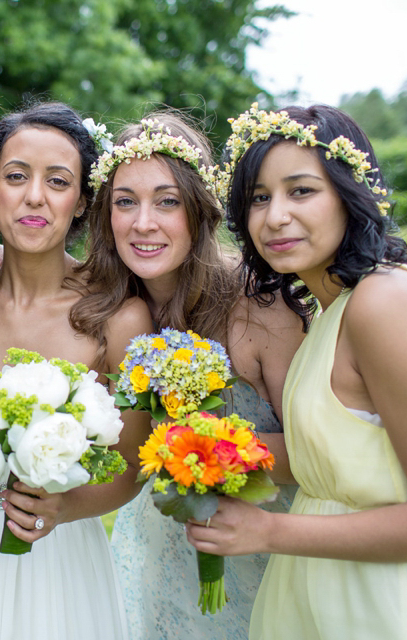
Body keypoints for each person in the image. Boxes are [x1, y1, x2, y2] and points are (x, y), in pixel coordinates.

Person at [186, 103, 407, 639]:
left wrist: (270, 530)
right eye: (259, 197)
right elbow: (336, 456)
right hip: (324, 602)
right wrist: (206, 448)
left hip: (389, 610)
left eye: (301, 190)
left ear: (350, 194)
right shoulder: (333, 310)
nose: (275, 215)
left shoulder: (386, 304)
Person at [0, 102, 154, 640]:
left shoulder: (118, 317)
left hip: (56, 554)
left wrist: (60, 509)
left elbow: (131, 469)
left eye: (57, 181)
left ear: (83, 200)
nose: (34, 196)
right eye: (16, 176)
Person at [76, 112, 305, 640]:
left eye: (167, 201)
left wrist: (201, 452)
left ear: (200, 211)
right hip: (151, 558)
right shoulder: (111, 308)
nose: (143, 223)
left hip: (253, 556)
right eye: (125, 202)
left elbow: (317, 451)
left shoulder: (260, 308)